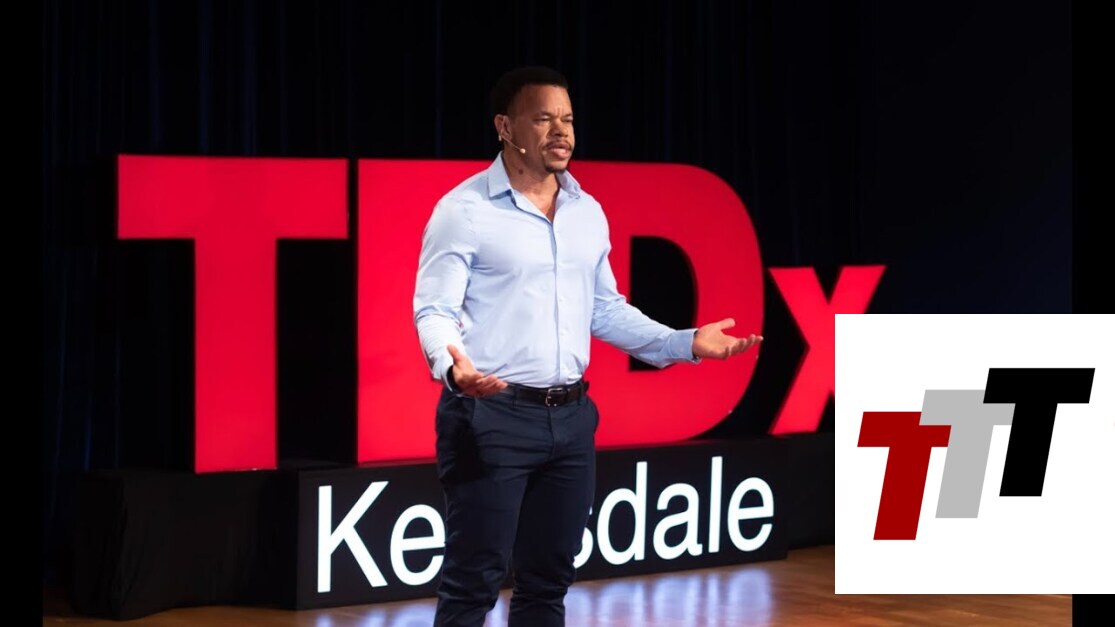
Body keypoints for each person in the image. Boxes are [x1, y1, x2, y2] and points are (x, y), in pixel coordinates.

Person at [413, 65, 762, 627]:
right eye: (543, 118)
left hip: (571, 420)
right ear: (505, 126)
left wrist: (684, 342)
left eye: (568, 119)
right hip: (489, 416)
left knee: (548, 584)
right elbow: (434, 309)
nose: (561, 132)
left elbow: (603, 309)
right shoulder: (464, 211)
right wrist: (452, 368)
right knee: (472, 583)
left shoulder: (586, 212)